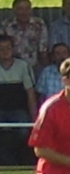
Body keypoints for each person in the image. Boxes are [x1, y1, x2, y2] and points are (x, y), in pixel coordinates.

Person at [0, 33, 37, 165]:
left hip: (18, 110)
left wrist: (34, 120)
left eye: (8, 48)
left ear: (13, 49)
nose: (4, 52)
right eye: (1, 49)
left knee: (23, 132)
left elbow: (30, 93)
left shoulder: (23, 66)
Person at [1, 0, 49, 76]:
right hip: (12, 68)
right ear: (14, 10)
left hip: (34, 67)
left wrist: (47, 70)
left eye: (27, 9)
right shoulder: (6, 25)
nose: (24, 12)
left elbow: (43, 50)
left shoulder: (39, 24)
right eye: (20, 9)